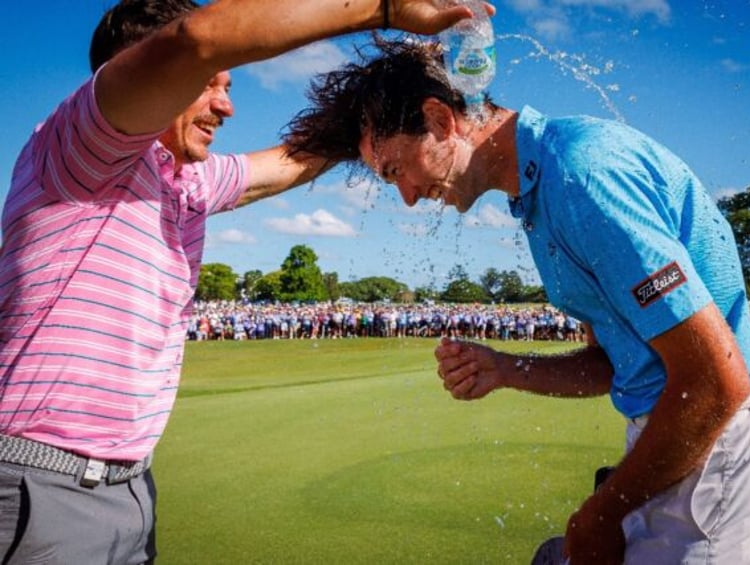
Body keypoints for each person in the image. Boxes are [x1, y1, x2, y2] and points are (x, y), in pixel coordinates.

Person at [283, 38, 750, 564]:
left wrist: (600, 514)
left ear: (439, 120)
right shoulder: (540, 191)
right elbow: (616, 365)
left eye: (395, 170)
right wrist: (503, 368)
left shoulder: (581, 176)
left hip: (719, 444)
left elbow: (716, 380)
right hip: (681, 439)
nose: (405, 196)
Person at [0, 2, 480, 563]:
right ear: (140, 71)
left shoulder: (188, 182)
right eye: (209, 85)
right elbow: (195, 40)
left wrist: (380, 102)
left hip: (130, 486)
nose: (226, 105)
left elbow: (295, 161)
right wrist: (388, 9)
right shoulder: (83, 144)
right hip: (41, 477)